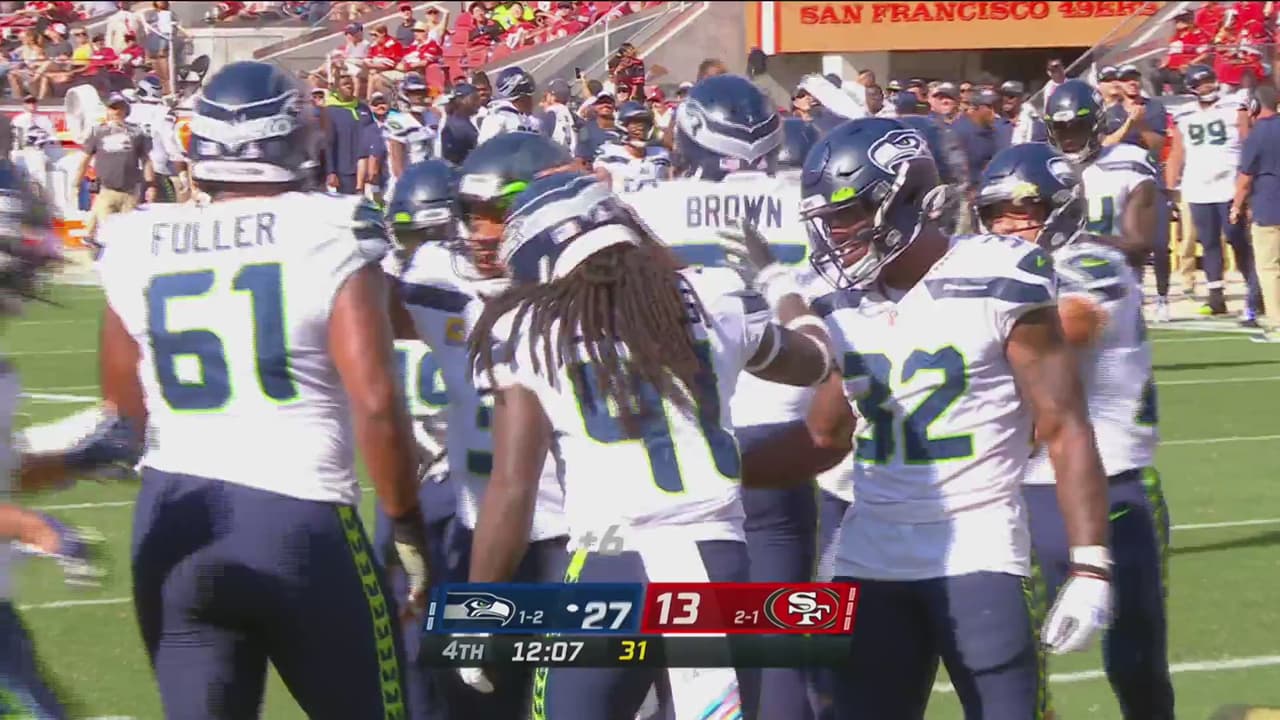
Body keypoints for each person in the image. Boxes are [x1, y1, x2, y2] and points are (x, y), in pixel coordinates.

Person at [95, 61, 428, 719]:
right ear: (297, 137)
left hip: (175, 518)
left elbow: (122, 407)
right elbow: (375, 400)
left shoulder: (135, 237)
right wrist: (407, 524)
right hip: (297, 515)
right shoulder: (332, 228)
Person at [466, 170, 840, 720]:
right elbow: (816, 360)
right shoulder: (714, 297)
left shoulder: (526, 328)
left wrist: (478, 617)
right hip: (716, 564)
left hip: (607, 565)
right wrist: (778, 281)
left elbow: (512, 487)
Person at [777, 117, 1112, 719]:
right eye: (828, 218)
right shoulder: (833, 300)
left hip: (977, 549)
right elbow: (826, 434)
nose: (836, 233)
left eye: (848, 214)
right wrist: (724, 472)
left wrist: (1091, 564)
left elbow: (1063, 423)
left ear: (909, 200)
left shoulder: (1000, 275)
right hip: (870, 553)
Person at [623, 73, 820, 720]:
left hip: (686, 455)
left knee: (679, 662)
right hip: (785, 439)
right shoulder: (803, 202)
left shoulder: (648, 206)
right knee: (778, 641)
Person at [977, 141, 1174, 720]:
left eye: (1024, 212)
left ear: (1060, 209)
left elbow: (1070, 325)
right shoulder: (1005, 271)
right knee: (1011, 660)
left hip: (1111, 483)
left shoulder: (1090, 264)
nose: (1009, 226)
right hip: (1023, 487)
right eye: (997, 214)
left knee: (1137, 660)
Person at [445, 133, 576, 716]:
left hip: (567, 539)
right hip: (483, 533)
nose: (480, 233)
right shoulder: (464, 294)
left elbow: (515, 481)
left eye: (496, 214)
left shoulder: (568, 305)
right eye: (472, 214)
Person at [1044, 79, 1160, 307]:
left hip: (1114, 296)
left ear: (1096, 124)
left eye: (1077, 127)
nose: (1068, 137)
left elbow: (1139, 248)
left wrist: (1079, 240)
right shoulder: (1043, 168)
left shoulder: (1129, 163)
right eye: (1060, 129)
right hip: (1055, 297)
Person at [1166, 64, 1263, 322]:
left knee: (1236, 238)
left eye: (1209, 80)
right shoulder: (1184, 114)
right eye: (1201, 83)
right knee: (1208, 242)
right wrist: (1170, 188)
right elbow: (1177, 153)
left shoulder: (1234, 106)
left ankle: (1255, 292)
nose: (1207, 86)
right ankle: (1216, 297)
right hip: (1197, 186)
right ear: (1191, 88)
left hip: (1230, 184)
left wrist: (1248, 185)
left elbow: (1248, 145)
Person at [1232, 83, 1280, 342]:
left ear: (1255, 106)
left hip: (1269, 207)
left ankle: (1277, 323)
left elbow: (1245, 178)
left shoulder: (1257, 135)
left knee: (1269, 269)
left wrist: (1236, 206)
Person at [73, 92, 155, 239]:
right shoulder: (98, 132)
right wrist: (76, 184)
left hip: (130, 192)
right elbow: (85, 159)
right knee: (106, 232)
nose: (116, 111)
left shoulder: (137, 132)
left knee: (127, 234)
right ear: (107, 111)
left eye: (120, 108)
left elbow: (146, 160)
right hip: (106, 191)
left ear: (126, 110)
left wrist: (151, 185)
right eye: (113, 108)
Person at [127, 74, 186, 203]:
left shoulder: (128, 110)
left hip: (129, 170)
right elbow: (170, 144)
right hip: (157, 170)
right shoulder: (164, 113)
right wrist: (182, 172)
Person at [592, 101, 669, 193]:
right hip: (621, 201)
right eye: (635, 122)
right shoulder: (609, 153)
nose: (641, 127)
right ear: (622, 125)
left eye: (644, 122)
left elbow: (672, 182)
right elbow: (601, 185)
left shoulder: (660, 154)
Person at [383, 72, 437, 197]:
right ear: (405, 94)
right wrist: (406, 187)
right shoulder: (398, 121)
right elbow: (397, 164)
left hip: (429, 183)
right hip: (406, 185)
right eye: (414, 93)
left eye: (422, 92)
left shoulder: (432, 117)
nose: (419, 97)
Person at [323, 73, 375, 195]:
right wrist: (331, 172)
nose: (349, 86)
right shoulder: (330, 111)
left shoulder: (363, 108)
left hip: (368, 167)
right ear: (337, 89)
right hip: (345, 170)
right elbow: (329, 144)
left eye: (351, 84)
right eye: (345, 84)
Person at [477, 65, 541, 143]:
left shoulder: (521, 117)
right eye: (528, 94)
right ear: (521, 94)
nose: (531, 99)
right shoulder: (497, 118)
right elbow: (485, 147)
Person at [437, 82, 481, 165]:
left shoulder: (462, 122)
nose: (479, 103)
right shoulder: (455, 126)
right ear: (462, 100)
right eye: (475, 99)